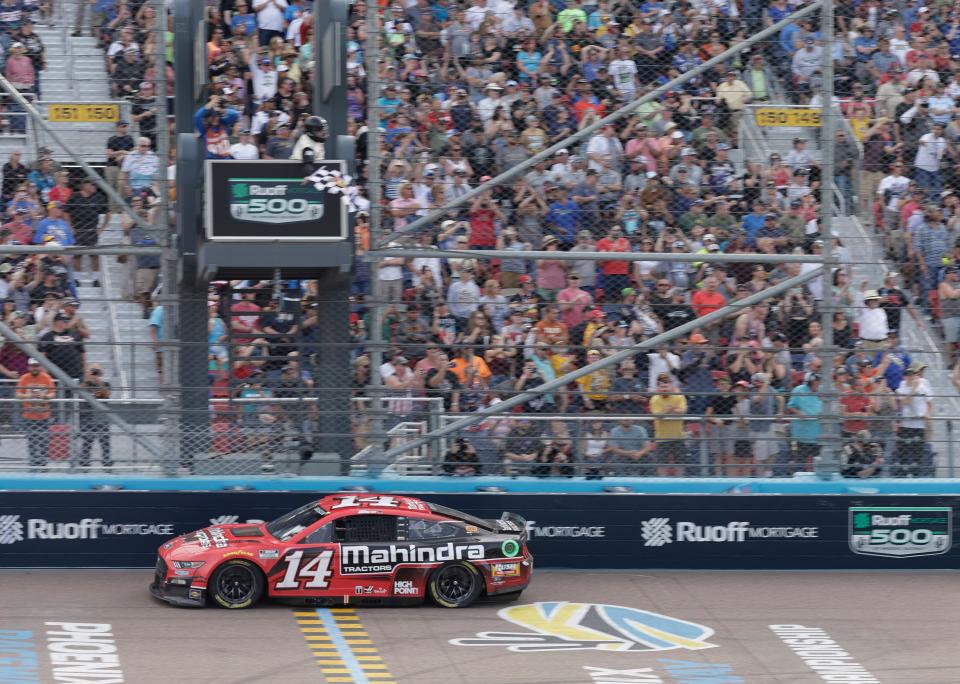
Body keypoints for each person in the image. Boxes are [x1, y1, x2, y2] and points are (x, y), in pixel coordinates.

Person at [894, 361, 932, 477]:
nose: (910, 377)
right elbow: (905, 402)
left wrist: (928, 416)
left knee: (918, 453)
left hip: (919, 424)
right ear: (904, 376)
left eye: (912, 374)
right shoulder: (901, 386)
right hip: (906, 424)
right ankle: (903, 476)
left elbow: (930, 402)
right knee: (904, 452)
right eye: (907, 375)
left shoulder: (924, 384)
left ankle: (916, 476)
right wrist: (913, 389)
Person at [15, 358, 54, 470]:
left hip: (44, 415)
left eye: (37, 366)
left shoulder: (46, 377)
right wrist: (29, 396)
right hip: (29, 416)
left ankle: (43, 464)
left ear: (40, 367)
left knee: (44, 441)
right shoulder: (24, 378)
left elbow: (52, 393)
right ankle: (33, 464)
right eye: (33, 366)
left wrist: (46, 396)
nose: (35, 368)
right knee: (32, 440)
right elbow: (18, 394)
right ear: (29, 367)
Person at [785, 372, 823, 474]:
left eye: (818, 382)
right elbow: (790, 406)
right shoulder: (799, 390)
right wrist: (798, 412)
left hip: (818, 435)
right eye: (815, 383)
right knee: (800, 463)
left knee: (818, 462)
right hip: (802, 434)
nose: (817, 385)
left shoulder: (822, 391)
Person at [77, 365, 112, 471]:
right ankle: (85, 462)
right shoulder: (84, 385)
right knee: (87, 441)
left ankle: (106, 462)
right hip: (86, 416)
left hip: (101, 417)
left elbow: (107, 394)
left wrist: (98, 381)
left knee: (105, 441)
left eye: (96, 371)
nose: (94, 374)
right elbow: (80, 392)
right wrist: (87, 378)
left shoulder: (105, 384)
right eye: (92, 371)